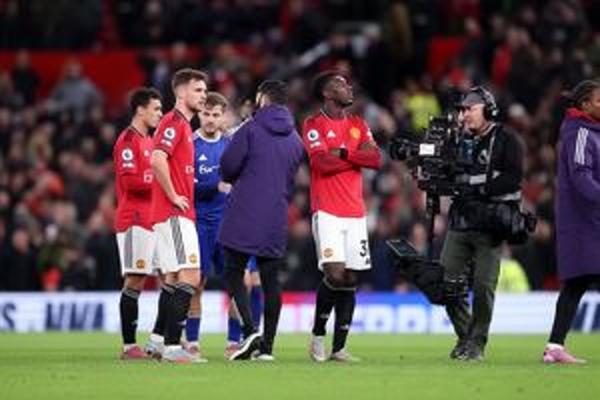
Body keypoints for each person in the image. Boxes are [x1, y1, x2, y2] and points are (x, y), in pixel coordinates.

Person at [218, 80, 304, 361]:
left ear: (262, 98)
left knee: (233, 269)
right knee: (271, 279)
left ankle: (249, 330)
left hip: (244, 209)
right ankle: (267, 348)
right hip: (276, 214)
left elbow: (228, 166)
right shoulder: (296, 138)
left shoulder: (250, 128)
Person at [304, 71, 382, 362]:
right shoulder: (313, 124)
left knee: (350, 277)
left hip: (355, 212)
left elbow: (375, 159)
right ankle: (318, 336)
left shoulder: (358, 123)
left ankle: (339, 348)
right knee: (334, 273)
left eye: (348, 84)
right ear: (327, 93)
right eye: (340, 84)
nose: (348, 88)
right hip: (327, 211)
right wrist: (355, 157)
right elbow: (321, 163)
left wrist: (344, 153)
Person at [442, 86, 524, 361]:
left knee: (482, 287)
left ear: (488, 110)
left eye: (470, 109)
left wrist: (478, 189)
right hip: (460, 221)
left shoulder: (507, 139)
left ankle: (476, 344)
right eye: (462, 110)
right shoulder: (456, 140)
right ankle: (466, 336)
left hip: (491, 224)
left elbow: (514, 178)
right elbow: (447, 177)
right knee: (445, 283)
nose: (464, 115)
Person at [183, 91, 263, 359]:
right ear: (199, 115)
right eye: (206, 113)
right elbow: (186, 186)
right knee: (197, 283)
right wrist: (215, 185)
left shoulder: (231, 144)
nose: (210, 119)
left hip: (229, 224)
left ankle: (233, 341)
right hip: (200, 224)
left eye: (215, 115)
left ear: (222, 117)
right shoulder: (190, 144)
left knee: (242, 282)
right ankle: (192, 341)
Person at [145, 68, 208, 363]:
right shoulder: (174, 122)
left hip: (173, 214)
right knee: (190, 275)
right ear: (181, 92)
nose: (203, 96)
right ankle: (173, 347)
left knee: (172, 279)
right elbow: (157, 158)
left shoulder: (183, 126)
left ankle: (158, 341)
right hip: (174, 213)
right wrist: (172, 195)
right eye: (198, 90)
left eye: (205, 90)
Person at [543, 79, 600, 364]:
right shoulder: (580, 132)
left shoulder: (591, 131)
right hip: (584, 223)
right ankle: (554, 347)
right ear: (585, 105)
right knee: (576, 283)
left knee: (576, 284)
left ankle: (554, 347)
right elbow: (580, 176)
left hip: (589, 221)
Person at [113, 87, 162, 360]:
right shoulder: (128, 140)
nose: (160, 114)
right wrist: (162, 179)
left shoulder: (150, 141)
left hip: (153, 219)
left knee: (169, 275)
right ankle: (129, 346)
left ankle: (158, 339)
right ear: (140, 110)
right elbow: (131, 182)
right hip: (134, 219)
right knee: (135, 279)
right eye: (156, 109)